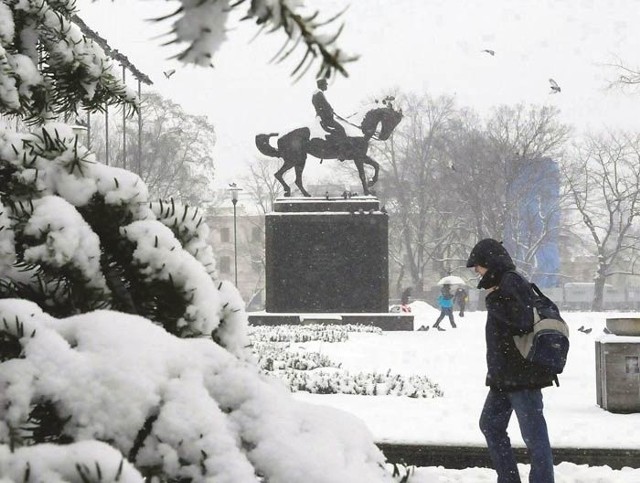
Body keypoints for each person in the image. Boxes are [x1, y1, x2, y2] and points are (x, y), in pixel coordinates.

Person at [466, 238, 556, 483]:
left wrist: (493, 299)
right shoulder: (502, 283)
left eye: (478, 265)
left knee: (534, 435)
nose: (476, 270)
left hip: (522, 375)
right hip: (505, 376)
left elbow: (522, 320)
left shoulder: (511, 281)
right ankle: (508, 479)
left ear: (489, 262)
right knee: (490, 425)